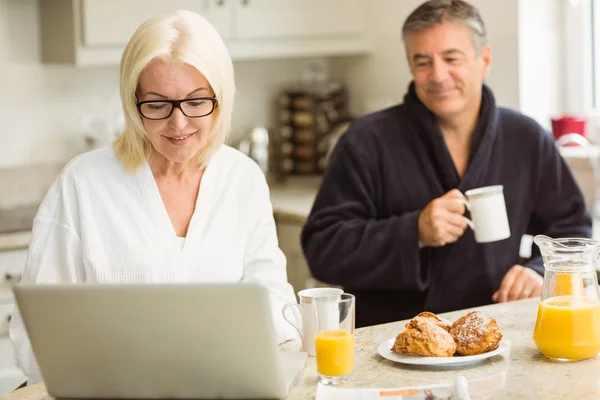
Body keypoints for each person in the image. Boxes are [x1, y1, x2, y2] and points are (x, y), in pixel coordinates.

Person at [10, 10, 298, 384]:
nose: (178, 125)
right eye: (158, 104)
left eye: (196, 102)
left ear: (220, 98)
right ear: (133, 103)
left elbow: (273, 300)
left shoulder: (242, 179)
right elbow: (35, 337)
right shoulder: (82, 184)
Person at [301, 0, 592, 328]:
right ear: (410, 67)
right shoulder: (365, 141)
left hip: (497, 334)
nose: (438, 76)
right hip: (393, 343)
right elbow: (322, 250)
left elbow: (572, 229)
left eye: (451, 58)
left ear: (484, 60)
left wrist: (538, 271)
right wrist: (414, 232)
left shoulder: (525, 137)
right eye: (422, 62)